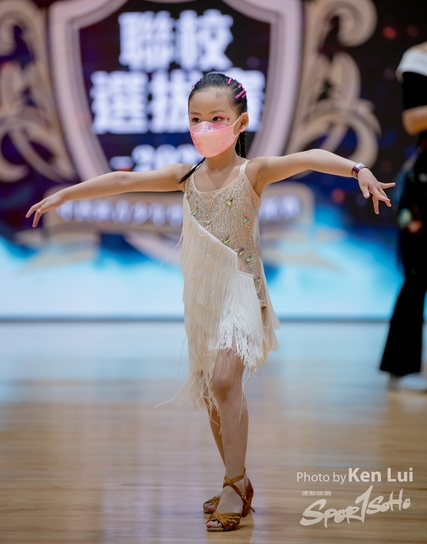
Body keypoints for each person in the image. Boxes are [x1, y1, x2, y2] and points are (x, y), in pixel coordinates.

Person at [26, 73, 394, 531]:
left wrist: (358, 170)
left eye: (217, 118)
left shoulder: (252, 172)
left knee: (223, 381)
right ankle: (237, 480)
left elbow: (309, 158)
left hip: (242, 292)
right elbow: (122, 178)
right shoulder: (185, 176)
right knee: (213, 393)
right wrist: (66, 194)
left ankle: (233, 486)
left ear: (240, 123)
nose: (205, 127)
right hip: (203, 298)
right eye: (195, 119)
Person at [379, 44, 427, 392]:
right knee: (418, 274)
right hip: (425, 185)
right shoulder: (419, 59)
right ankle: (402, 365)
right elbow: (412, 120)